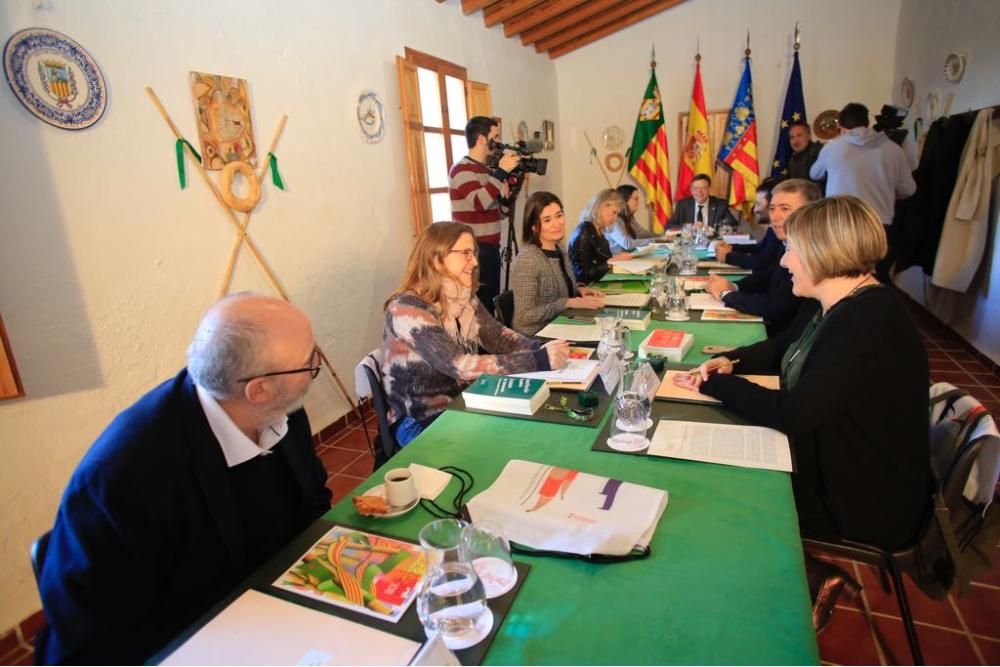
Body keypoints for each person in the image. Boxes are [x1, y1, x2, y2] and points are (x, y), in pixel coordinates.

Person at [675, 196, 930, 632]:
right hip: (843, 461)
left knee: (720, 493)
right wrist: (731, 361)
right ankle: (810, 576)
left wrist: (716, 384)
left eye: (793, 249)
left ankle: (747, 615)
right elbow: (783, 347)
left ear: (823, 254)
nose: (785, 260)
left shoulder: (866, 322)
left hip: (867, 498)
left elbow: (793, 412)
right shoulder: (840, 302)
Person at [36, 294, 333, 664]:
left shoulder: (282, 412)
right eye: (309, 361)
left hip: (286, 618)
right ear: (259, 389)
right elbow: (92, 646)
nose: (315, 366)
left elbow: (313, 501)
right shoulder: (121, 480)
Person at [382, 222, 569, 445]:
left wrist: (538, 347)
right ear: (436, 258)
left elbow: (497, 336)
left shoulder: (462, 296)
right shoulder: (407, 309)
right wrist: (540, 359)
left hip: (461, 401)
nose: (475, 261)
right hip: (419, 420)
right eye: (465, 253)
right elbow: (459, 366)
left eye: (474, 253)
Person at [809, 103, 916, 282]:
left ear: (841, 127)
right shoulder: (893, 149)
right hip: (878, 225)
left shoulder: (833, 147)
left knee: (840, 277)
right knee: (875, 277)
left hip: (840, 223)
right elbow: (909, 189)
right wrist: (886, 190)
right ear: (867, 122)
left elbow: (814, 173)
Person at [707, 179, 822, 336]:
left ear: (810, 213)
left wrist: (726, 295)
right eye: (772, 208)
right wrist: (733, 287)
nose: (774, 216)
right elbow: (770, 274)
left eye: (785, 209)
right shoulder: (787, 242)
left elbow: (777, 307)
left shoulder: (812, 251)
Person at [449, 116, 521, 310]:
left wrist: (510, 193)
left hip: (491, 249)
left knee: (490, 306)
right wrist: (500, 173)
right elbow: (480, 202)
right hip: (472, 251)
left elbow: (500, 213)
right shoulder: (461, 170)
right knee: (475, 308)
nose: (498, 142)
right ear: (481, 139)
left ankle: (490, 341)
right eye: (495, 136)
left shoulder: (489, 171)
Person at [510, 192, 607, 335]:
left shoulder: (559, 248)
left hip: (560, 325)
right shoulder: (528, 259)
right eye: (547, 220)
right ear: (534, 227)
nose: (557, 224)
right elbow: (524, 316)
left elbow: (560, 288)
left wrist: (579, 290)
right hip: (535, 338)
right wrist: (568, 302)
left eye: (559, 215)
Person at [714, 176, 784, 270]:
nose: (755, 210)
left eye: (758, 204)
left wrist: (728, 256)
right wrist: (731, 247)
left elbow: (762, 262)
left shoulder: (781, 229)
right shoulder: (773, 227)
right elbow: (759, 248)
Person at [568, 189, 632, 284]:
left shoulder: (600, 230)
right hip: (588, 290)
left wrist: (618, 258)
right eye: (614, 212)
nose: (615, 218)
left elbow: (602, 261)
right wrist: (611, 262)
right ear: (602, 206)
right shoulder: (584, 233)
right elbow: (582, 274)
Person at [666, 173, 738, 233]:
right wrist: (690, 227)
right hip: (689, 243)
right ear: (691, 190)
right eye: (695, 188)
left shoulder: (720, 205)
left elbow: (733, 225)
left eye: (703, 188)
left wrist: (711, 229)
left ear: (709, 189)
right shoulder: (683, 205)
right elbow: (669, 226)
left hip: (713, 243)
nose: (699, 192)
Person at [605, 184, 660, 254]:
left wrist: (664, 237)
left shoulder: (629, 218)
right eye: (636, 199)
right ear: (625, 199)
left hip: (631, 259)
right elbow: (627, 244)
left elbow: (643, 233)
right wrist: (656, 240)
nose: (638, 202)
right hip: (618, 262)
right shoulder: (614, 220)